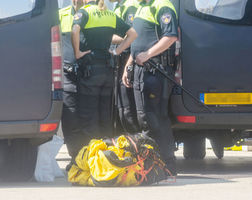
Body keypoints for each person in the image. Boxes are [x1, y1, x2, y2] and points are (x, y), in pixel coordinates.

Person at [122, 0, 178, 175]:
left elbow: (170, 37)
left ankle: (166, 165)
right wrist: (128, 66)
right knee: (145, 118)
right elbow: (137, 43)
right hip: (141, 71)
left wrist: (147, 55)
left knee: (156, 118)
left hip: (156, 72)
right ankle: (153, 163)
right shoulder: (141, 8)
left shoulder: (162, 5)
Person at [71, 0, 138, 147]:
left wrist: (77, 52)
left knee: (89, 116)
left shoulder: (84, 12)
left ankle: (93, 158)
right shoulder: (110, 14)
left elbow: (74, 30)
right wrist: (116, 51)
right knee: (105, 116)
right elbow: (132, 34)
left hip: (90, 72)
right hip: (107, 72)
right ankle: (107, 156)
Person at [59, 0, 84, 165]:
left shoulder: (92, 13)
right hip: (68, 74)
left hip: (90, 74)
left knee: (89, 120)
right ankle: (76, 157)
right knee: (70, 119)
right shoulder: (61, 15)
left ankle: (87, 156)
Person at [111, 0, 140, 134]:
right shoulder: (119, 6)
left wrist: (104, 36)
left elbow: (132, 37)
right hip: (120, 60)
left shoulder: (131, 6)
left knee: (127, 109)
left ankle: (137, 144)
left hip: (127, 61)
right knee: (122, 109)